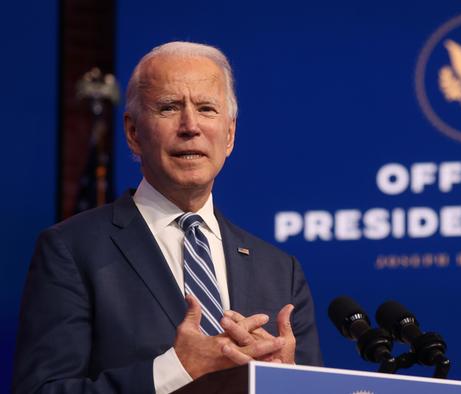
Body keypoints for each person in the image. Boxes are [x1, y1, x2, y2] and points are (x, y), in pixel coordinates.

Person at [13, 41, 323, 394]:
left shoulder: (281, 271)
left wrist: (286, 380)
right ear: (133, 133)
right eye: (169, 107)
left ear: (230, 135)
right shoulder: (72, 250)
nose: (190, 126)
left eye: (207, 109)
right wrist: (174, 368)